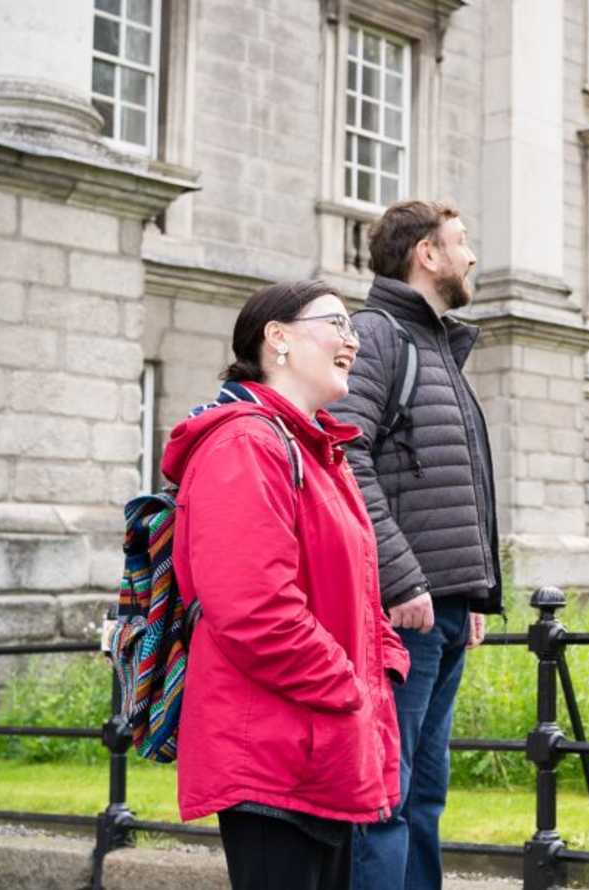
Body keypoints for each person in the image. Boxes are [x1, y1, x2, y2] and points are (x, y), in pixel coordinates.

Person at [163, 280, 410, 890]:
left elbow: (358, 587)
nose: (352, 340)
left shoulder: (320, 448)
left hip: (317, 741)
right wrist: (351, 685)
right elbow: (254, 610)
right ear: (278, 338)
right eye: (337, 323)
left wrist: (383, 664)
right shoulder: (247, 444)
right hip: (273, 751)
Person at [329, 199, 500, 890]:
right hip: (404, 615)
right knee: (385, 798)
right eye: (461, 242)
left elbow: (458, 483)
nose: (471, 256)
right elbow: (345, 455)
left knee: (425, 797)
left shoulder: (438, 345)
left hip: (446, 608)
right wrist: (402, 581)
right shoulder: (377, 337)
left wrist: (477, 588)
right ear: (426, 254)